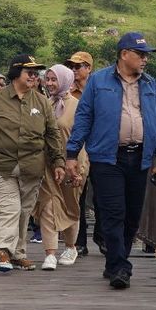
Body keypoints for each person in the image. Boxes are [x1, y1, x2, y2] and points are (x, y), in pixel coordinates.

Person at [66, 32, 156, 289]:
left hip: (140, 158)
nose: (145, 60)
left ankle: (115, 260)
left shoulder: (150, 84)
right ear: (124, 54)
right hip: (107, 157)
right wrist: (71, 153)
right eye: (141, 54)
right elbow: (84, 117)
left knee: (132, 216)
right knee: (113, 213)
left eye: (147, 55)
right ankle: (120, 267)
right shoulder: (99, 81)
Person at [0, 54, 65, 272]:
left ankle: (17, 254)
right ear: (16, 73)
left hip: (31, 167)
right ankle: (1, 251)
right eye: (30, 72)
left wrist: (58, 162)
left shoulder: (42, 101)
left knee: (24, 211)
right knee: (10, 208)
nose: (35, 76)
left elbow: (52, 134)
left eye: (36, 73)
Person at [32, 65, 88, 270]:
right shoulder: (45, 104)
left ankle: (71, 246)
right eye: (47, 79)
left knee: (70, 206)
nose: (49, 83)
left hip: (73, 165)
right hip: (48, 165)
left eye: (54, 79)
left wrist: (79, 170)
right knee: (47, 205)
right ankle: (50, 254)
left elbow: (83, 141)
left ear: (65, 80)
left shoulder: (78, 106)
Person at [65, 51, 104, 257]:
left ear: (88, 68)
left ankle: (101, 235)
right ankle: (79, 242)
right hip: (77, 148)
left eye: (78, 67)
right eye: (71, 66)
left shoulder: (98, 89)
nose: (74, 70)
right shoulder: (67, 93)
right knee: (77, 194)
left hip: (97, 147)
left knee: (101, 195)